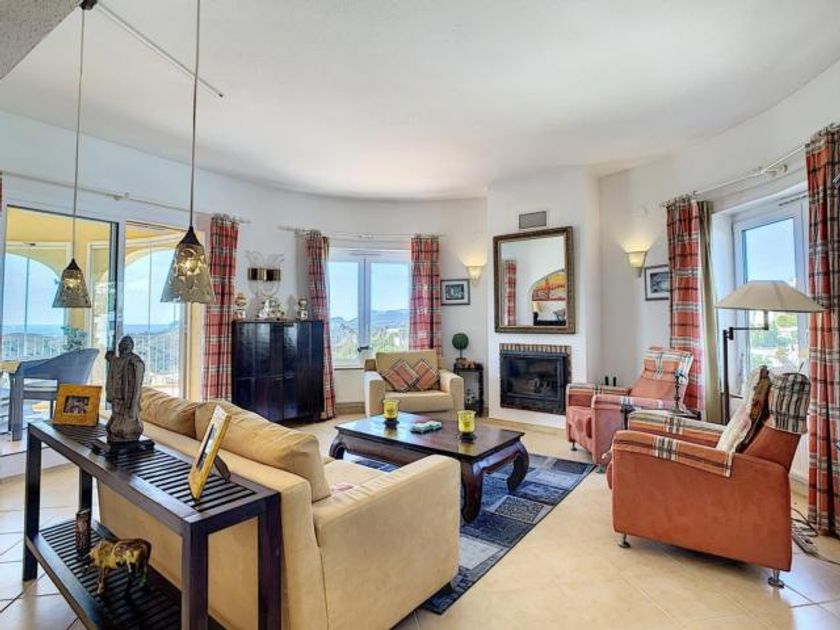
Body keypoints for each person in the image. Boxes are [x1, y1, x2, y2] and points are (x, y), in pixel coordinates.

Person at [105, 336, 145, 442]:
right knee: (114, 420)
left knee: (123, 425)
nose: (121, 347)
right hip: (117, 396)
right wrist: (111, 358)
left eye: (125, 345)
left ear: (130, 347)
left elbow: (136, 384)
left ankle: (127, 431)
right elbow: (116, 362)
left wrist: (133, 403)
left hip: (127, 397)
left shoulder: (134, 361)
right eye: (121, 345)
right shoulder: (119, 360)